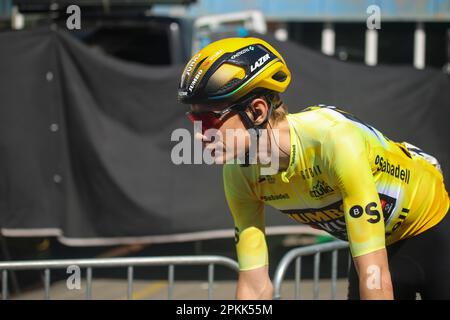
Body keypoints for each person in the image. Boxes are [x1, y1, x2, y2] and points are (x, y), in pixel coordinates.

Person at [177, 37, 450, 300]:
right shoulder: (239, 173)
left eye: (209, 120)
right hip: (383, 249)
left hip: (434, 232)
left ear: (257, 112)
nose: (200, 135)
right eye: (194, 119)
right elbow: (254, 285)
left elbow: (374, 274)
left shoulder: (333, 141)